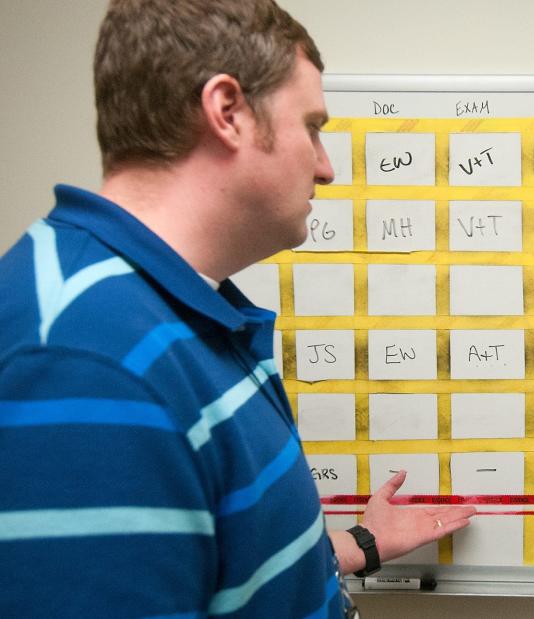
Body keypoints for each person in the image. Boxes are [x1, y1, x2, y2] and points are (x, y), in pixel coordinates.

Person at [0, 0, 475, 617]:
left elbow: (206, 566)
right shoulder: (82, 357)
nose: (327, 168)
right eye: (311, 126)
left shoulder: (175, 312)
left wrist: (356, 545)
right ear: (228, 113)